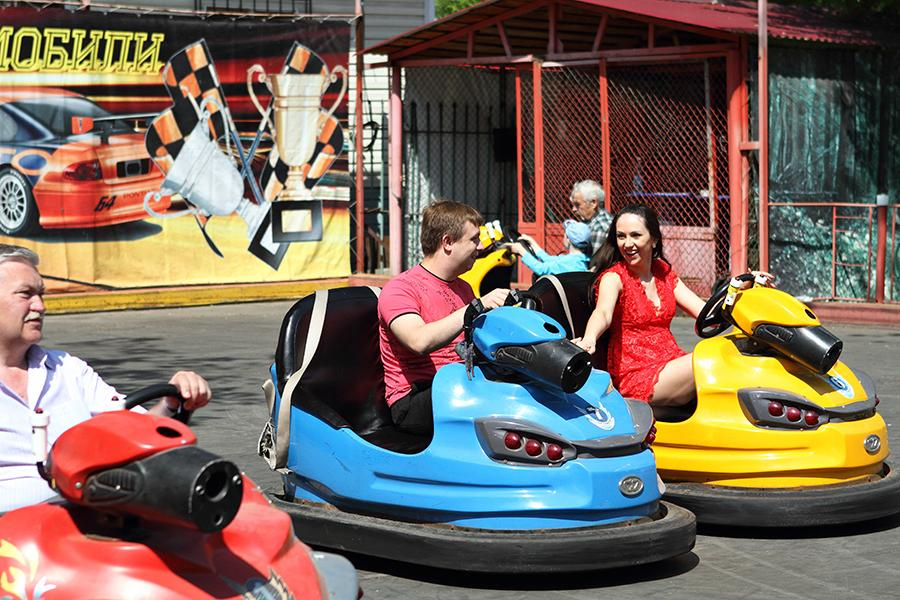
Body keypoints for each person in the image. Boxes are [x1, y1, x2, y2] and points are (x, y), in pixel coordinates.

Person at [0, 244, 212, 512]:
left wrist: (171, 403)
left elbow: (133, 428)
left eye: (41, 294)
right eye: (26, 294)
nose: (40, 306)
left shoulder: (67, 369)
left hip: (85, 516)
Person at [574, 205, 772, 407]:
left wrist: (743, 288)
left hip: (671, 361)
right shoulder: (613, 277)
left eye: (635, 235)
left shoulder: (663, 273)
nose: (628, 244)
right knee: (712, 359)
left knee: (739, 351)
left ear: (654, 239)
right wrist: (589, 338)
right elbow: (603, 313)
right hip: (636, 374)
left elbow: (707, 314)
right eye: (621, 236)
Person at [378, 200, 510, 435]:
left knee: (523, 381)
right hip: (415, 398)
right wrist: (475, 307)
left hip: (459, 382)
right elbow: (419, 341)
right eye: (474, 239)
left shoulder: (463, 287)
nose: (480, 247)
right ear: (447, 242)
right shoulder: (400, 289)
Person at [507, 219, 592, 276]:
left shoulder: (567, 263)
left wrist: (521, 251)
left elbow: (541, 269)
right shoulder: (581, 260)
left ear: (568, 239)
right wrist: (533, 243)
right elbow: (549, 259)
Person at [569, 180, 613, 256]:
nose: (573, 209)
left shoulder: (600, 227)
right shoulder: (591, 221)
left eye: (577, 205)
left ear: (593, 203)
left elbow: (595, 261)